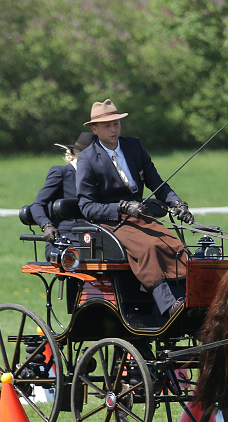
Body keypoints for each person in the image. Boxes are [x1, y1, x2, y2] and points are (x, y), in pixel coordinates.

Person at [75, 99, 195, 318]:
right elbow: (87, 207)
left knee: (175, 245)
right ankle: (169, 306)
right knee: (148, 247)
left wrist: (177, 203)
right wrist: (122, 207)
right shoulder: (87, 159)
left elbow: (158, 184)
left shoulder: (133, 146)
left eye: (116, 124)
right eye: (107, 126)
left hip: (140, 217)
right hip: (110, 221)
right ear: (94, 129)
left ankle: (189, 298)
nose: (113, 129)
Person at [30, 131, 97, 260]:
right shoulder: (61, 173)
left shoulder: (96, 179)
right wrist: (47, 226)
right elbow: (37, 205)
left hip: (93, 237)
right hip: (65, 238)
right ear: (75, 154)